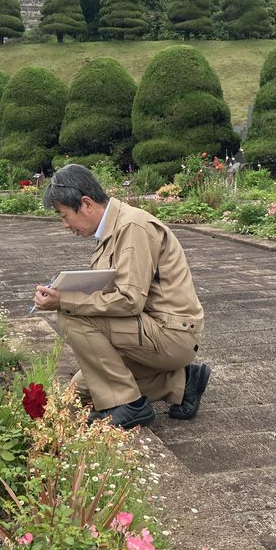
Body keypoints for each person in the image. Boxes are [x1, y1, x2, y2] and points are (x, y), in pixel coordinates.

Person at [33, 164, 210, 429]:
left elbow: (129, 299)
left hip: (172, 332)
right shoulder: (111, 229)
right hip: (148, 330)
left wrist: (64, 301)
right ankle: (183, 382)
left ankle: (129, 405)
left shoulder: (132, 227)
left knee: (71, 316)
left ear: (86, 203)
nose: (64, 224)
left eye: (63, 215)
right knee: (82, 390)